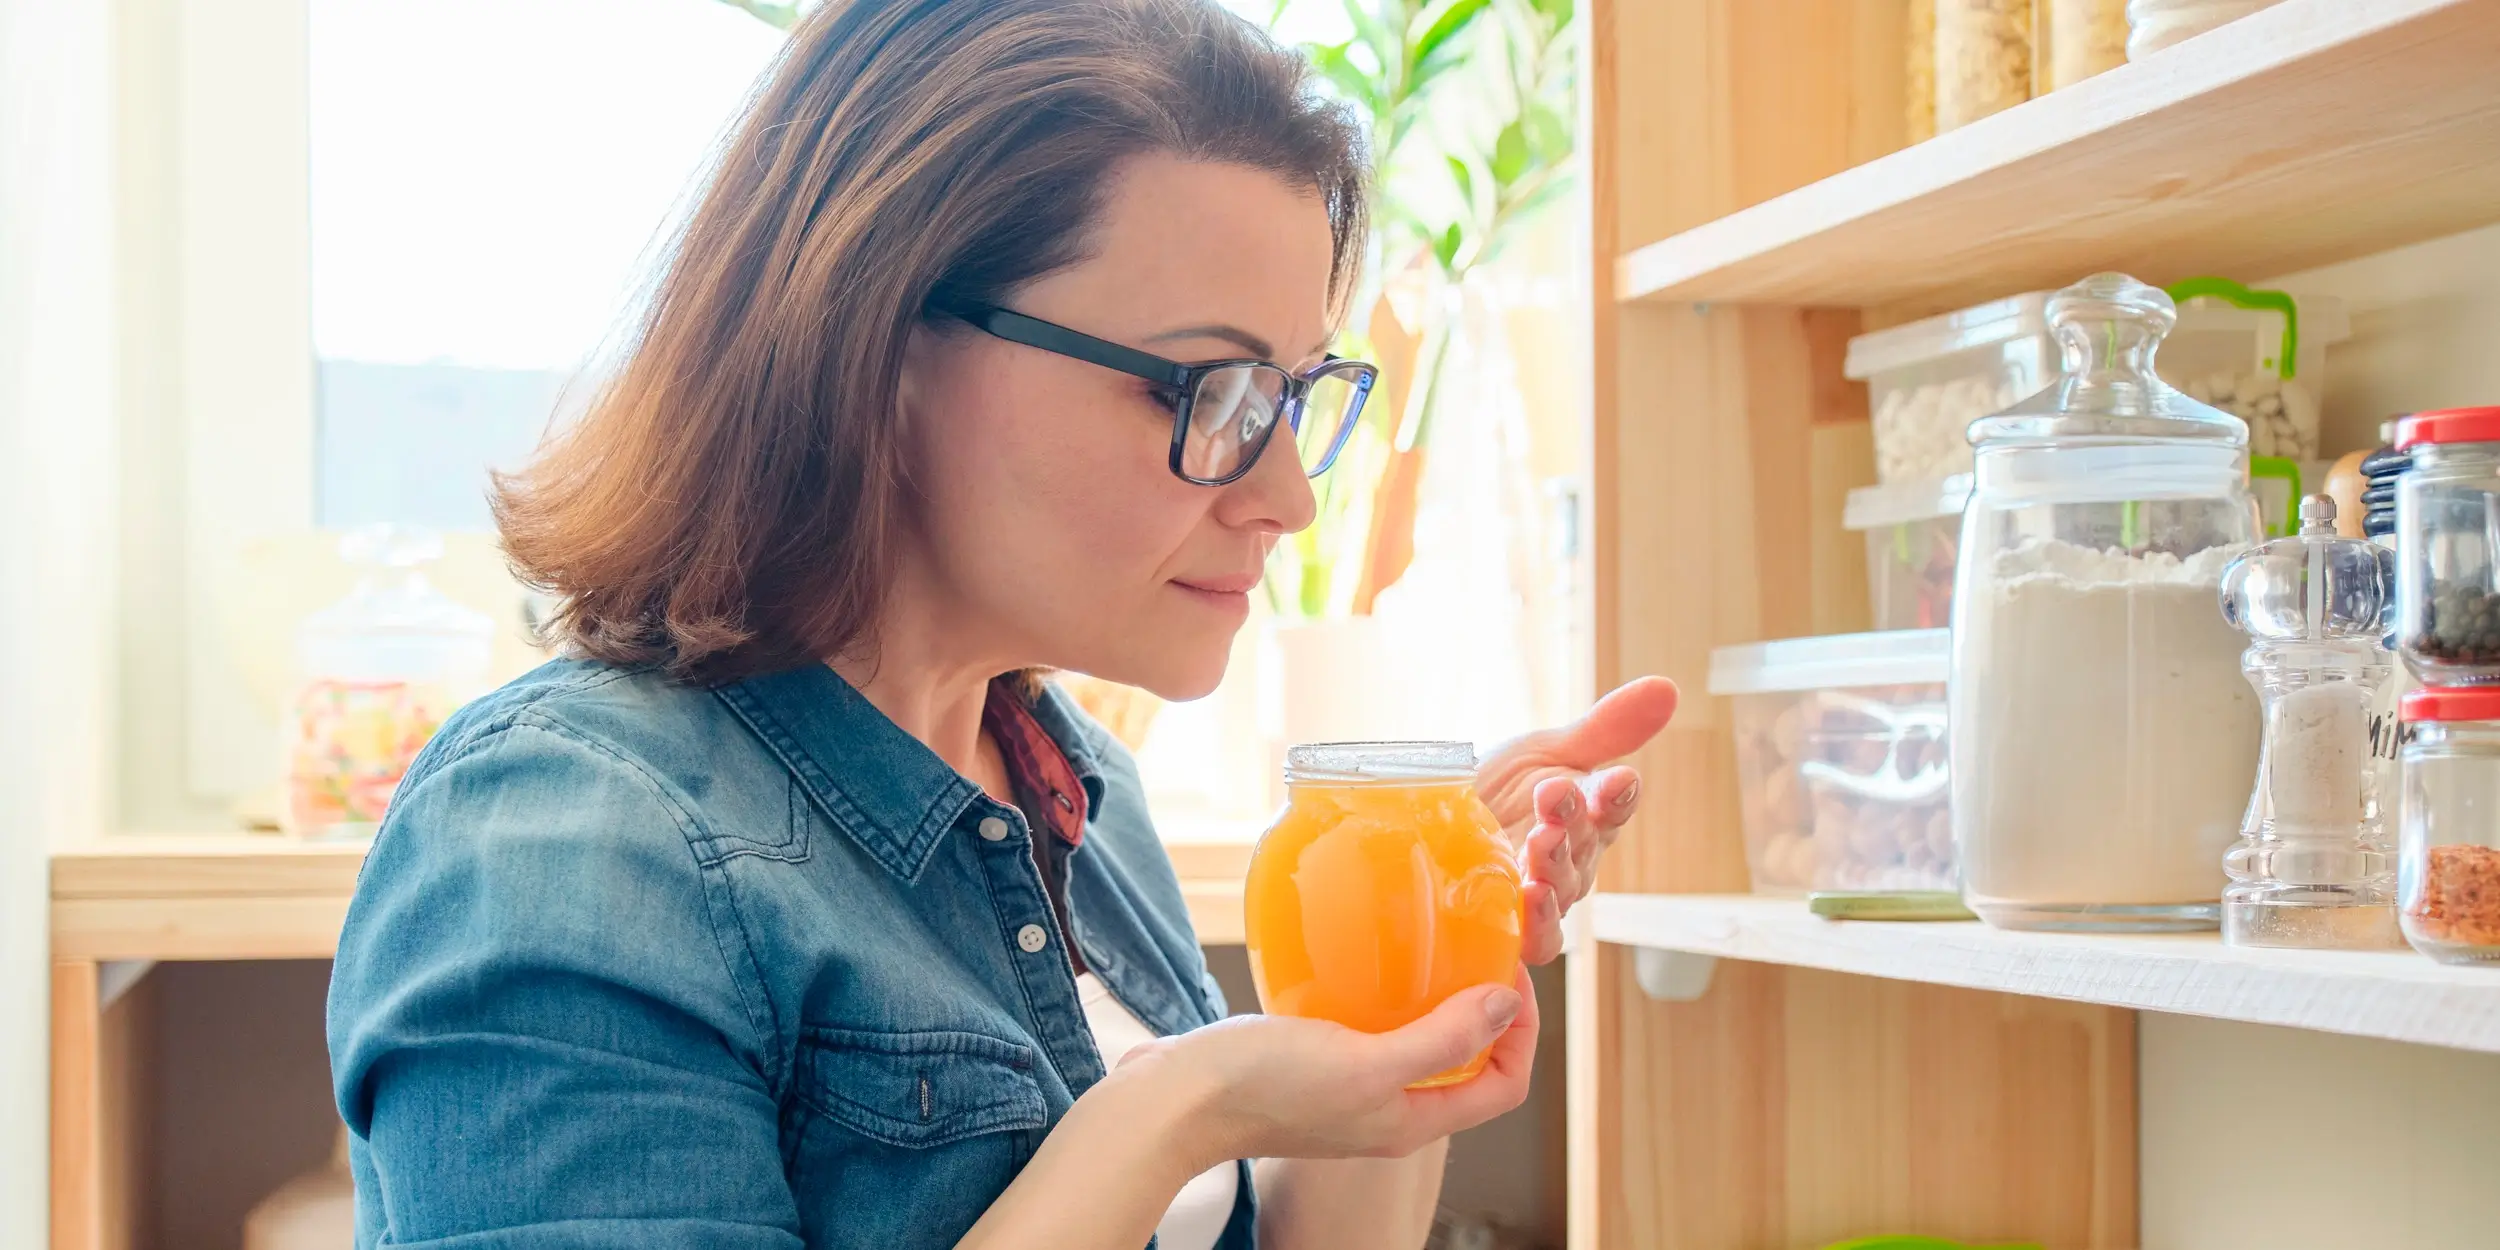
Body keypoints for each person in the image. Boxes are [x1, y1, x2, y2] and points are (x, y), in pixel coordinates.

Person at [323, 1, 1678, 1247]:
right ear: (888, 350)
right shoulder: (561, 838)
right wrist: (1177, 1111)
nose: (1285, 498)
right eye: (1207, 391)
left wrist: (1411, 992)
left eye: (1291, 395)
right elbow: (1169, 1126)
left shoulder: (1070, 784)